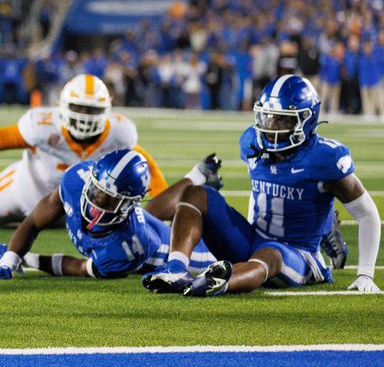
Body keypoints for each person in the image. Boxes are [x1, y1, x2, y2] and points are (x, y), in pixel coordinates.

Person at [142, 75, 380, 296]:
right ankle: (175, 268)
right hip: (256, 239)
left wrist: (365, 274)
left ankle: (216, 284)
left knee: (270, 253)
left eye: (282, 119)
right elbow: (260, 192)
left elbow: (366, 213)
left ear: (306, 120)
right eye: (268, 116)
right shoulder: (251, 142)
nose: (271, 125)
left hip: (298, 254)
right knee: (196, 194)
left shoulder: (325, 158)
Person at [0, 74, 168, 229]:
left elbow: (143, 164)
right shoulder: (43, 126)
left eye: (91, 110)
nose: (85, 117)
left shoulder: (120, 135)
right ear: (63, 107)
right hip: (22, 193)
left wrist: (162, 201)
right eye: (79, 108)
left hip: (68, 212)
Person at [0, 149, 221, 280]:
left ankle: (201, 190)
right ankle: (197, 176)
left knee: (219, 262)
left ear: (127, 205)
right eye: (97, 189)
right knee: (149, 214)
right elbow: (35, 220)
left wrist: (30, 259)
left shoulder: (125, 247)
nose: (96, 200)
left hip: (181, 252)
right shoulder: (76, 181)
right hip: (144, 225)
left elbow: (78, 267)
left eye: (109, 198)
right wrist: (10, 259)